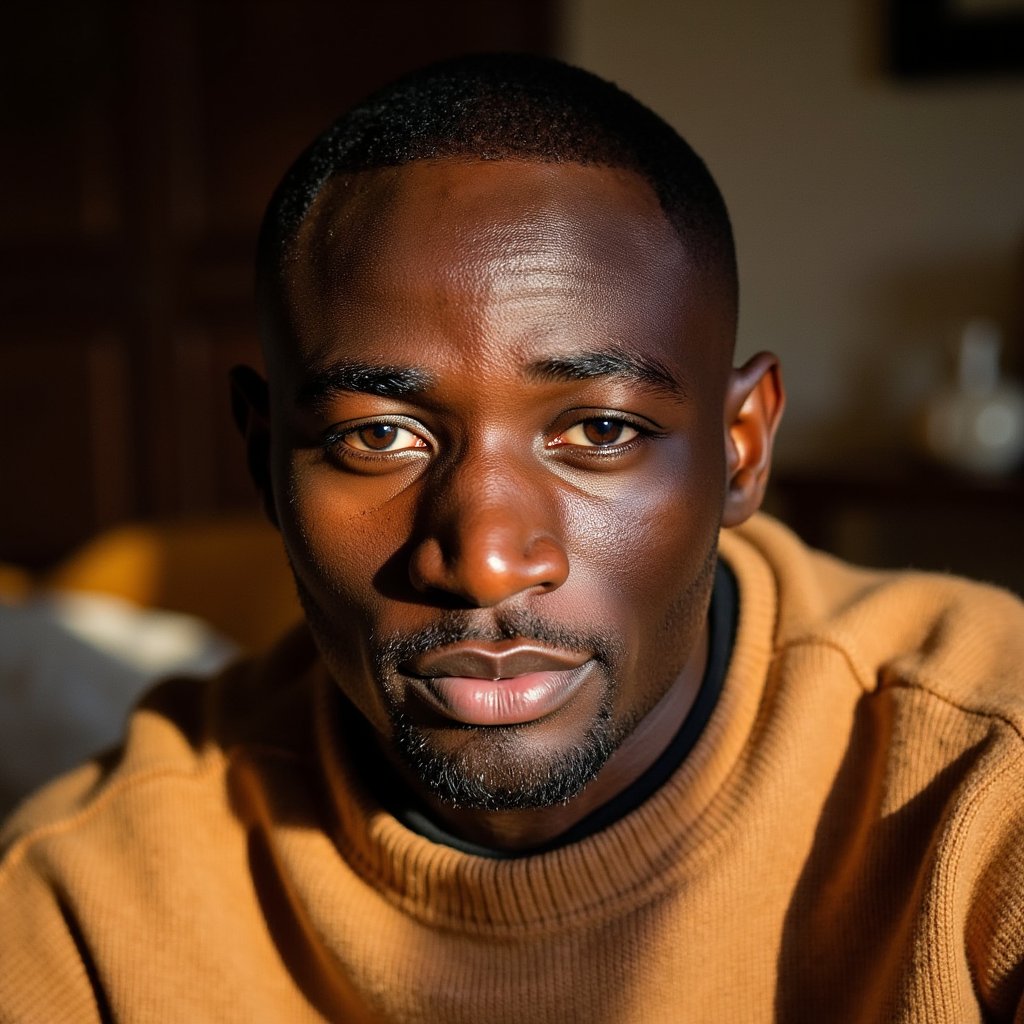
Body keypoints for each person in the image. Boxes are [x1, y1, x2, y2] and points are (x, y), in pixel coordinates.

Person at [1, 53, 1022, 1023]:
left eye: (600, 431)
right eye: (380, 436)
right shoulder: (85, 905)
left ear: (740, 448)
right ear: (265, 458)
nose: (485, 557)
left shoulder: (981, 783)